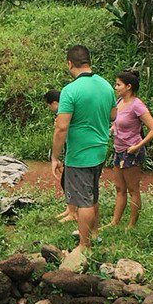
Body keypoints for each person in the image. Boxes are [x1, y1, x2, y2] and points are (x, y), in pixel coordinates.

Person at [52, 45, 116, 252]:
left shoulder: (70, 90)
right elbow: (113, 116)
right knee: (92, 194)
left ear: (70, 63)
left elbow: (61, 127)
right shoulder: (106, 85)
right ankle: (94, 233)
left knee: (83, 201)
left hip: (80, 154)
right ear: (88, 61)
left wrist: (54, 157)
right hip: (99, 150)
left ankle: (84, 245)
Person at [108, 69, 153, 228]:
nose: (115, 87)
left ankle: (131, 224)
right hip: (118, 150)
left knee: (132, 190)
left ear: (128, 86)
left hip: (132, 151)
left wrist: (137, 146)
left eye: (118, 84)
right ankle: (114, 221)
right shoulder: (118, 102)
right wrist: (111, 129)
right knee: (119, 188)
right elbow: (117, 122)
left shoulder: (137, 105)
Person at [45, 89, 77, 223]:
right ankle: (69, 209)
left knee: (68, 181)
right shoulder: (63, 113)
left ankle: (73, 213)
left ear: (53, 103)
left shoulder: (64, 113)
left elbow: (64, 130)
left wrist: (55, 157)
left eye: (49, 105)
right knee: (66, 180)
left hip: (74, 151)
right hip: (68, 150)